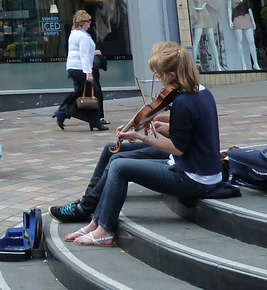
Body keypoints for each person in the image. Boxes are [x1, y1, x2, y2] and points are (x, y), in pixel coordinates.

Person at [66, 42, 222, 248]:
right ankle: (95, 220)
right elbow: (191, 127)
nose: (158, 78)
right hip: (200, 167)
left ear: (173, 75)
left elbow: (177, 147)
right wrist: (158, 121)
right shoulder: (201, 92)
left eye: (160, 73)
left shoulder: (185, 102)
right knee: (114, 155)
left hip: (194, 177)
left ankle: (104, 230)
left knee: (119, 167)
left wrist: (141, 137)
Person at [50, 122, 170, 223]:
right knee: (110, 149)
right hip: (175, 147)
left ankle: (85, 208)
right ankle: (87, 201)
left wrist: (142, 137)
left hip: (176, 154)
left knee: (117, 161)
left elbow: (182, 140)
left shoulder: (185, 100)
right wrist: (153, 121)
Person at [54, 10, 108, 131]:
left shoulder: (74, 34)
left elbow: (79, 52)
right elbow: (83, 55)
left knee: (79, 94)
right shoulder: (83, 36)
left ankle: (63, 114)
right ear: (82, 22)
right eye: (88, 21)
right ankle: (94, 121)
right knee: (95, 93)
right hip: (80, 68)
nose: (90, 24)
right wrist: (88, 73)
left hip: (73, 67)